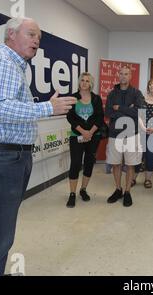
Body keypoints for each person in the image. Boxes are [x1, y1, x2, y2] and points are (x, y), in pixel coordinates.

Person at [0, 17, 76, 275]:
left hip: (7, 158)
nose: (37, 40)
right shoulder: (1, 62)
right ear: (10, 35)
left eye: (39, 36)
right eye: (31, 34)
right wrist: (47, 107)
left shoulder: (13, 66)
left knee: (0, 234)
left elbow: (4, 106)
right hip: (2, 158)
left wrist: (41, 107)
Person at [105, 66, 144, 207]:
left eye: (126, 74)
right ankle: (118, 189)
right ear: (118, 75)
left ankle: (127, 191)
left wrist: (119, 108)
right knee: (115, 163)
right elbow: (108, 112)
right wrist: (129, 109)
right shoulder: (112, 93)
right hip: (115, 134)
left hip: (131, 134)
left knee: (130, 164)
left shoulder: (136, 93)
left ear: (130, 76)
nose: (123, 76)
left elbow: (138, 112)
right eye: (121, 74)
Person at [66, 72, 105, 208]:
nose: (84, 83)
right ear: (79, 82)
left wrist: (91, 132)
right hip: (77, 136)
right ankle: (72, 194)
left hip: (94, 136)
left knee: (89, 162)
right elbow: (70, 117)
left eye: (87, 81)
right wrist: (83, 132)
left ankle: (83, 190)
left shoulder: (96, 99)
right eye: (82, 80)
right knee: (75, 163)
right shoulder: (73, 98)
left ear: (91, 84)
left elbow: (99, 117)